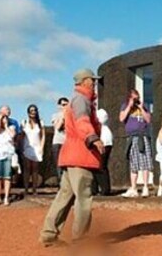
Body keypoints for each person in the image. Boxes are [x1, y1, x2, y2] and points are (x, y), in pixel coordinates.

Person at [39, 68, 104, 247]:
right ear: (85, 82)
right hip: (81, 155)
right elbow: (82, 122)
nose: (95, 83)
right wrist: (93, 138)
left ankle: (49, 234)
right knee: (84, 197)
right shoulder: (82, 100)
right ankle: (80, 239)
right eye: (93, 80)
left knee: (64, 196)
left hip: (71, 155)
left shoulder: (77, 99)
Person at [119, 89, 152, 197]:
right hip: (132, 137)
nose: (136, 100)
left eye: (137, 97)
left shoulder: (143, 106)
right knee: (133, 163)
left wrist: (141, 107)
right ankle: (133, 187)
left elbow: (148, 120)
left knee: (145, 162)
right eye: (134, 98)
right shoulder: (125, 106)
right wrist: (129, 105)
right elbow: (121, 118)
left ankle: (146, 187)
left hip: (143, 136)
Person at [0, 108, 17, 206]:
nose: (3, 119)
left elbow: (12, 136)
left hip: (8, 154)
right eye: (2, 118)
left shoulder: (11, 127)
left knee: (7, 177)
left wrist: (6, 125)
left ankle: (6, 197)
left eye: (5, 118)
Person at [21, 104, 45, 195]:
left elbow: (43, 136)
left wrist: (42, 147)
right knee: (27, 169)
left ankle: (34, 189)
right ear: (28, 112)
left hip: (37, 147)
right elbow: (21, 136)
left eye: (34, 110)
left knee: (35, 169)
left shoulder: (40, 122)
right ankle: (26, 189)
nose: (33, 112)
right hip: (27, 147)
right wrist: (21, 148)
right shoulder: (24, 122)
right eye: (31, 111)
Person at [50, 97, 68, 183]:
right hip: (58, 142)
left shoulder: (72, 116)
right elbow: (57, 127)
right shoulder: (55, 115)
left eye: (67, 105)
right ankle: (61, 183)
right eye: (63, 105)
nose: (65, 107)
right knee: (59, 165)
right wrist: (63, 117)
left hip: (67, 142)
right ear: (59, 106)